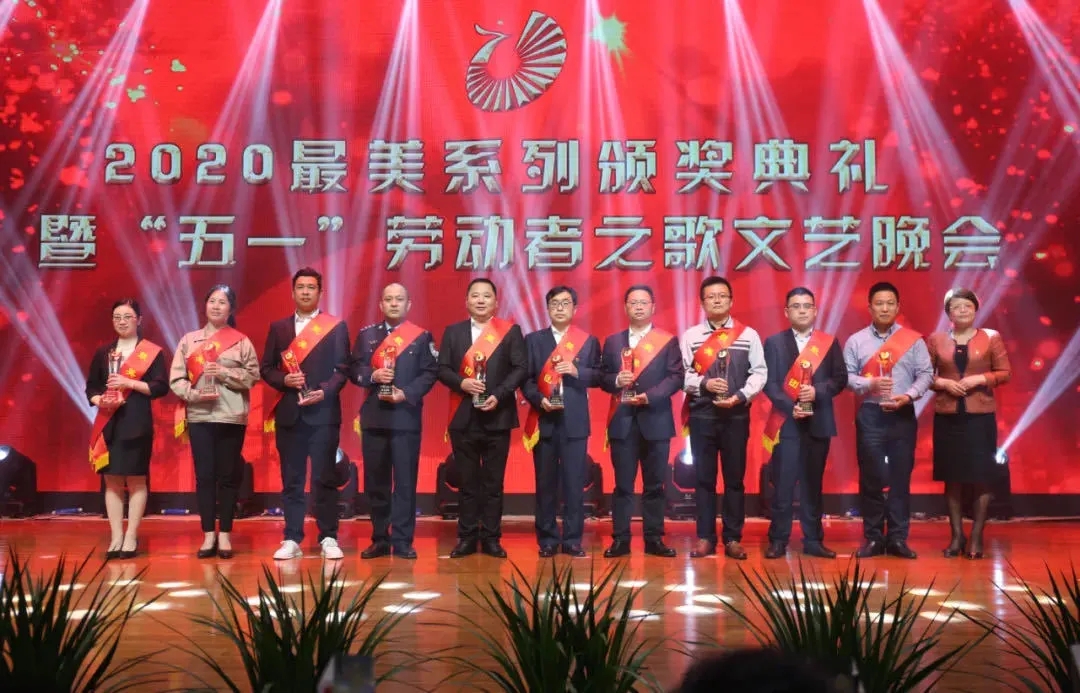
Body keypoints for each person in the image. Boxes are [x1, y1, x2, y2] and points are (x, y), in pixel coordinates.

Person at [260, 267, 351, 560]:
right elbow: (266, 368)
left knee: (325, 477)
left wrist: (324, 391)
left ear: (320, 292)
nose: (306, 292)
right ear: (293, 292)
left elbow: (343, 369)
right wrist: (284, 380)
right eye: (300, 287)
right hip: (290, 415)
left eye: (311, 287)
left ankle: (328, 536)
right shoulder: (279, 328)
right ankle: (292, 537)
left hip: (323, 415)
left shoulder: (335, 327)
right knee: (292, 479)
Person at [437, 278, 528, 558]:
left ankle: (491, 538)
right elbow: (442, 369)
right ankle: (466, 537)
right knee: (467, 482)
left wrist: (499, 394)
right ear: (466, 301)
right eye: (475, 295)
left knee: (493, 483)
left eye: (486, 296)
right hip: (463, 417)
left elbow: (520, 368)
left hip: (497, 416)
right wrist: (461, 383)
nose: (480, 300)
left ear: (495, 302)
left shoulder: (510, 332)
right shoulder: (453, 332)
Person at [843, 281, 933, 559]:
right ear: (870, 307)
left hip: (902, 414)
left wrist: (909, 396)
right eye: (879, 303)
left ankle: (897, 538)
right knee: (871, 478)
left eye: (890, 303)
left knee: (900, 478)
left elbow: (926, 374)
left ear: (898, 307)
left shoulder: (914, 341)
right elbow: (846, 377)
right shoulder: (856, 340)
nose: (884, 308)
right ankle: (873, 538)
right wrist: (869, 384)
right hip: (870, 414)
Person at [170, 285, 260, 560]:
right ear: (205, 305)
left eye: (222, 302)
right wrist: (193, 395)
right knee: (205, 476)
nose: (216, 306)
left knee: (228, 477)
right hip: (200, 416)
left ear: (231, 309)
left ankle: (225, 534)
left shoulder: (241, 341)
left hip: (231, 416)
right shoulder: (189, 341)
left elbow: (253, 376)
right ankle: (208, 533)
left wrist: (223, 372)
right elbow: (176, 379)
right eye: (212, 301)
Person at [679, 277, 767, 560]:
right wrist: (705, 384)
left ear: (731, 300)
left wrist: (740, 396)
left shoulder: (748, 335)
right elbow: (683, 375)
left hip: (735, 415)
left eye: (722, 296)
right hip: (702, 414)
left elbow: (760, 372)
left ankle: (732, 538)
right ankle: (705, 537)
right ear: (702, 303)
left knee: (734, 479)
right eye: (711, 297)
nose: (717, 301)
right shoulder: (691, 336)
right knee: (704, 479)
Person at [348, 283, 438, 559]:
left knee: (405, 483)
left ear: (408, 305)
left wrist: (406, 393)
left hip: (405, 418)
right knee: (376, 482)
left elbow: (429, 373)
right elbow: (354, 368)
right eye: (389, 299)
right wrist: (372, 376)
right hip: (374, 418)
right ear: (381, 304)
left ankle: (402, 540)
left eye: (399, 299)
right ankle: (379, 538)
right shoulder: (367, 335)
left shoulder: (420, 337)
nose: (394, 303)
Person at [761, 287, 848, 559]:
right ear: (787, 312)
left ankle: (813, 540)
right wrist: (792, 406)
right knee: (783, 484)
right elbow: (769, 383)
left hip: (818, 422)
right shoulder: (774, 343)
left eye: (806, 306)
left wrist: (817, 391)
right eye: (796, 306)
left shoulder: (828, 343)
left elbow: (840, 378)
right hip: (786, 423)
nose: (802, 311)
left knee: (813, 485)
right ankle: (778, 539)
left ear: (815, 311)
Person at [599, 285, 682, 558]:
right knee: (623, 485)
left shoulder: (667, 341)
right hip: (622, 420)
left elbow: (676, 377)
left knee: (655, 485)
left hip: (656, 420)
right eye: (633, 302)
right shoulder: (613, 342)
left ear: (652, 307)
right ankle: (620, 540)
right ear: (625, 307)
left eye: (643, 302)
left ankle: (654, 539)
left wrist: (650, 396)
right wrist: (615, 380)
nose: (638, 307)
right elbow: (602, 377)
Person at [928, 287, 1011, 559]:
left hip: (980, 417)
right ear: (948, 313)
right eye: (956, 306)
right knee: (952, 477)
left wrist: (980, 379)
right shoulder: (936, 339)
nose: (962, 310)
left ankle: (976, 536)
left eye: (967, 306)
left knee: (981, 476)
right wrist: (943, 383)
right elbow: (924, 375)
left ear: (976, 310)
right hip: (948, 416)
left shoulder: (990, 337)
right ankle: (956, 536)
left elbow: (1004, 372)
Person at [521, 286, 601, 558]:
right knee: (545, 484)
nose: (560, 308)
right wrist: (538, 400)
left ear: (575, 309)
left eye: (566, 303)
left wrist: (578, 371)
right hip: (544, 418)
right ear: (547, 308)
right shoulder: (533, 340)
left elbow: (599, 376)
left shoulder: (587, 341)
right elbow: (526, 380)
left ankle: (573, 539)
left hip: (575, 422)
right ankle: (547, 539)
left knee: (574, 483)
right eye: (555, 303)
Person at [85, 298, 168, 560]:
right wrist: (100, 400)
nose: (122, 322)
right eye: (117, 317)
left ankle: (131, 535)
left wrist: (129, 383)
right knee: (111, 481)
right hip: (109, 423)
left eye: (127, 317)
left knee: (135, 479)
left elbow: (160, 387)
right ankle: (116, 536)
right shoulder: (104, 352)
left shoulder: (151, 352)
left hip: (136, 423)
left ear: (139, 320)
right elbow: (91, 387)